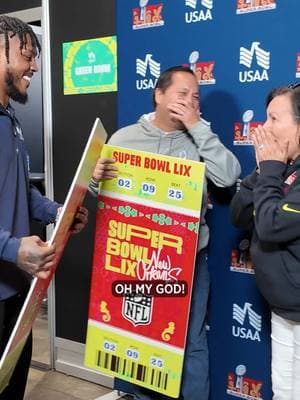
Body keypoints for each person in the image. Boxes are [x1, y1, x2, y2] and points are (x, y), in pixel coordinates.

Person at [90, 66, 241, 400]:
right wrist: (95, 179)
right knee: (136, 334)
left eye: (196, 97)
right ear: (158, 95)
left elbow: (229, 177)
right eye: (182, 94)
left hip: (188, 262)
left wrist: (196, 127)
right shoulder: (124, 138)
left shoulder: (201, 136)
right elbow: (105, 198)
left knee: (191, 340)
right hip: (139, 261)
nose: (190, 101)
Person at [0, 15, 88, 399]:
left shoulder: (11, 121)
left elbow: (20, 190)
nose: (34, 65)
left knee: (12, 385)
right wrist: (10, 247)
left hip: (19, 289)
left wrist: (58, 212)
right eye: (26, 54)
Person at [230, 83, 300, 400]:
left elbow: (271, 225)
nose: (264, 128)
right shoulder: (279, 166)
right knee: (285, 390)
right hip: (283, 307)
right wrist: (263, 170)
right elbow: (241, 215)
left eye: (274, 119)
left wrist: (270, 168)